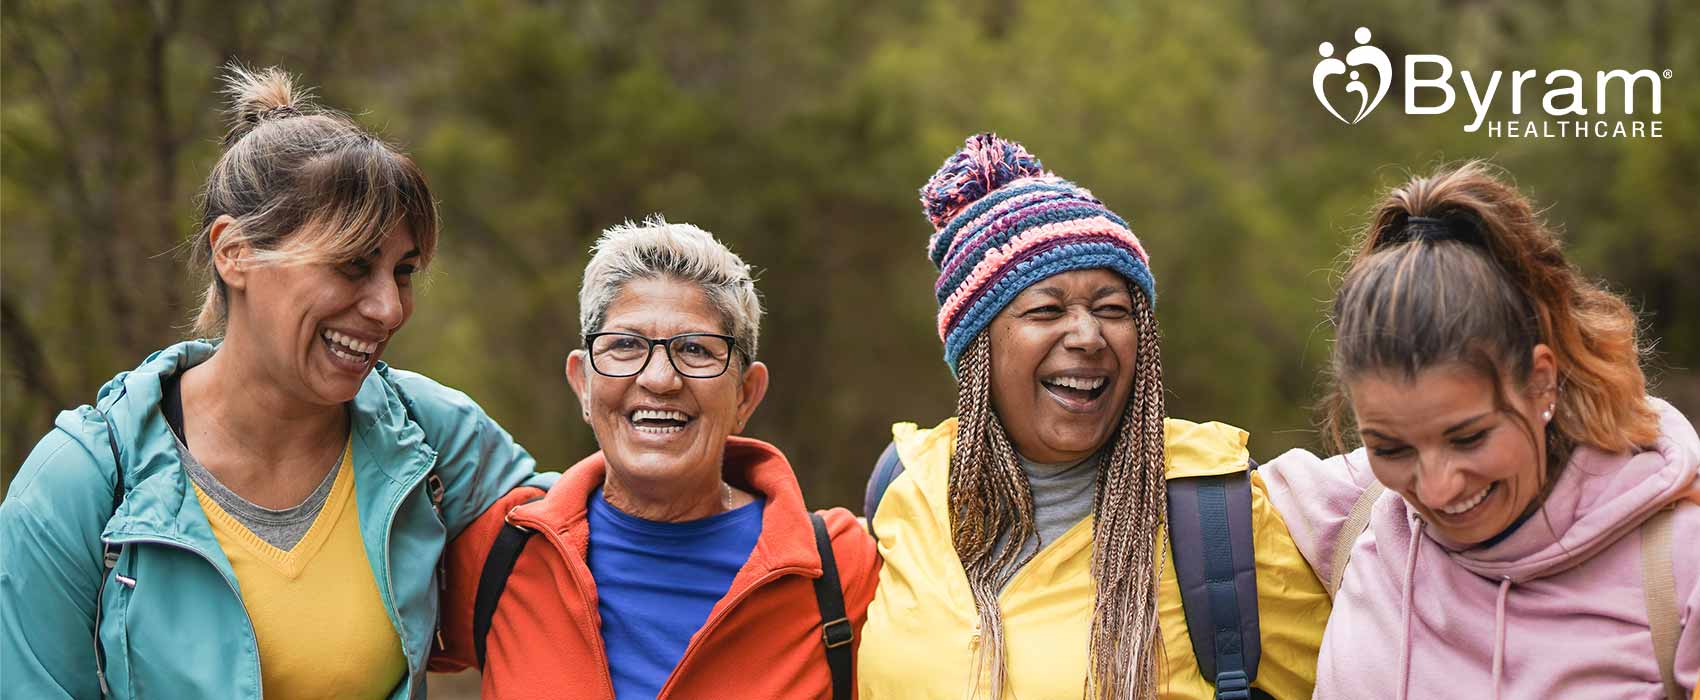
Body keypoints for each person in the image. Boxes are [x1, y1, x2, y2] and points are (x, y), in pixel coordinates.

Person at [0, 65, 540, 699]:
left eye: (402, 271)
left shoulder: (430, 436)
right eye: (351, 265)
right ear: (235, 253)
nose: (389, 309)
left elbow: (601, 541)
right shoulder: (83, 485)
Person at [857, 133, 1329, 700]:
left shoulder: (1219, 510)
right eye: (1047, 310)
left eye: (1112, 309)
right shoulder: (905, 485)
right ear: (978, 348)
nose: (1088, 336)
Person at [1259, 162, 1699, 699]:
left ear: (1541, 380)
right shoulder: (1350, 510)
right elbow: (1150, 470)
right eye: (1390, 447)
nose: (1437, 489)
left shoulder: (1680, 563)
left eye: (1468, 438)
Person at [430, 217, 880, 699]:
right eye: (625, 345)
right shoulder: (504, 547)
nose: (660, 379)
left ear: (746, 396)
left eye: (696, 350)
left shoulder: (842, 570)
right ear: (582, 383)